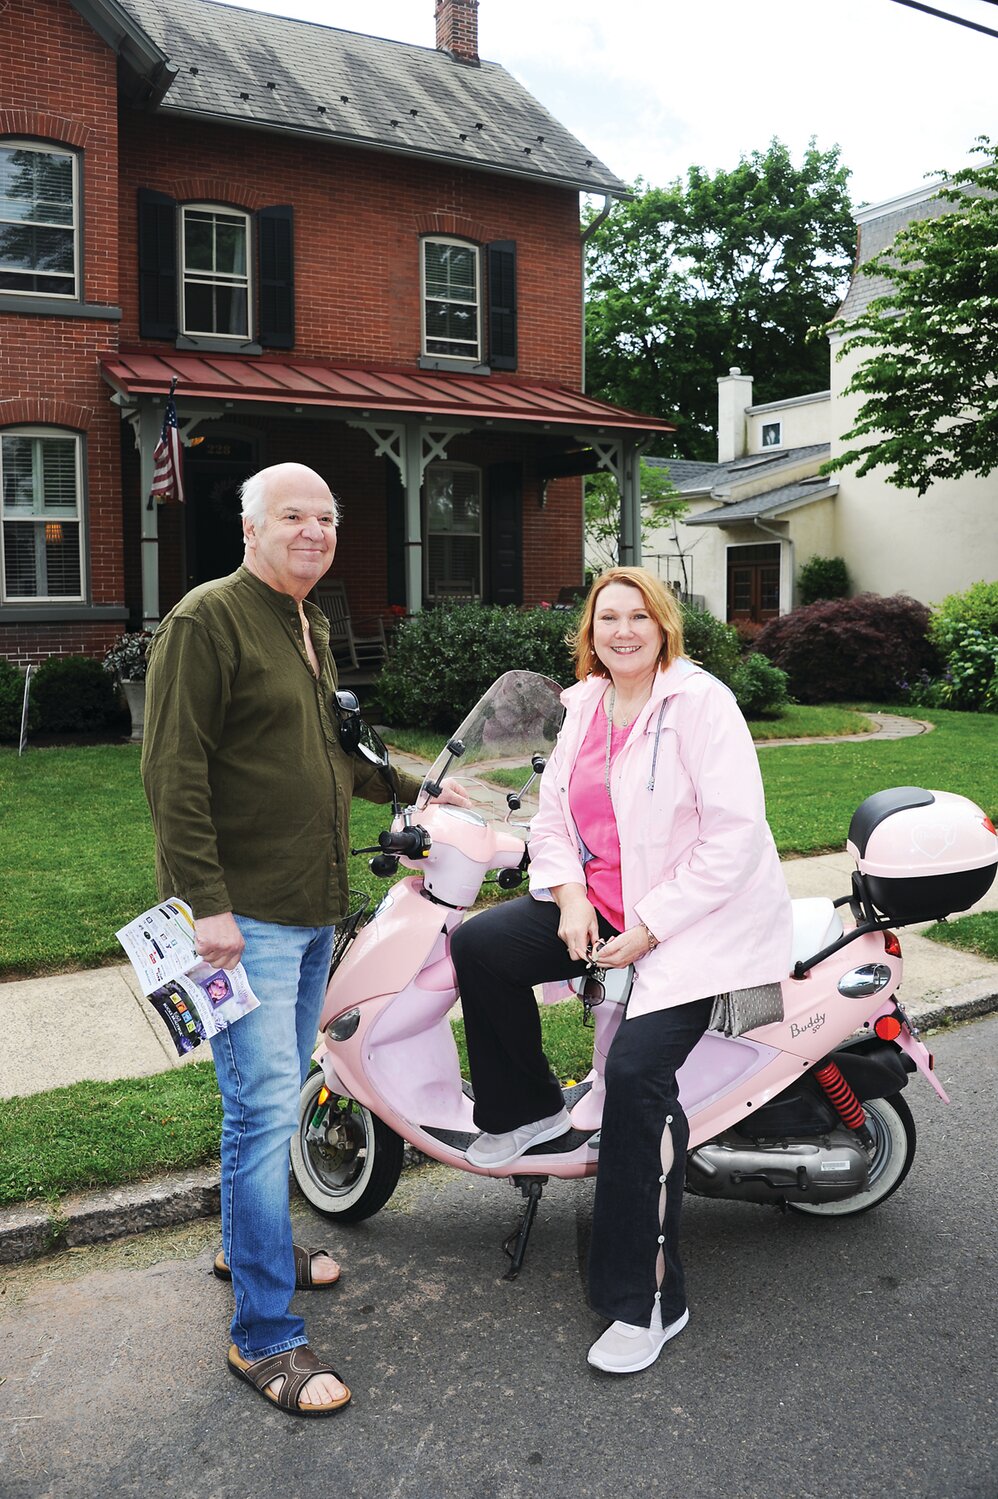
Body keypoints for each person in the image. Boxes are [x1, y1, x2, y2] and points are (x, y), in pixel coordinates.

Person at [141, 461, 467, 1417]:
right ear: (250, 527)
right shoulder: (209, 618)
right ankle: (265, 1339)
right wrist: (205, 907)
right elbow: (173, 772)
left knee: (269, 1100)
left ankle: (250, 1248)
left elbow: (333, 753)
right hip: (243, 922)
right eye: (294, 515)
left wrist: (418, 792)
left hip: (312, 906)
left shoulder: (306, 623)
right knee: (260, 1108)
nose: (315, 530)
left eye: (326, 517)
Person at [451, 566, 792, 1375]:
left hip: (697, 922)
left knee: (636, 1078)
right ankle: (529, 1110)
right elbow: (556, 815)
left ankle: (648, 1300)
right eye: (609, 618)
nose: (624, 630)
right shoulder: (583, 706)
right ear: (591, 631)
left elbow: (733, 839)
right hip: (605, 904)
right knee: (483, 945)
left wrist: (648, 926)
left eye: (639, 616)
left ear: (663, 624)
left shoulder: (701, 703)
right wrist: (568, 893)